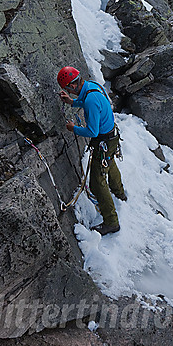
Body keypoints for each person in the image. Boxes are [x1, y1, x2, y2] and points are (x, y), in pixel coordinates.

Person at [58, 66, 126, 235]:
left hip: (103, 141)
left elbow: (92, 132)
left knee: (96, 183)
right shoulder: (92, 86)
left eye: (67, 89)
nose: (69, 92)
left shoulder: (90, 100)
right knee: (109, 164)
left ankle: (111, 222)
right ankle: (120, 193)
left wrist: (73, 128)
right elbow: (91, 101)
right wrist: (72, 102)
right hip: (111, 137)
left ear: (72, 86)